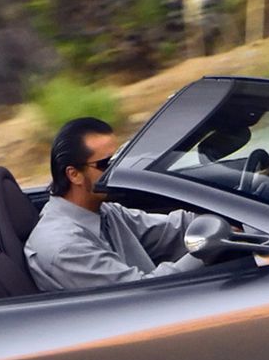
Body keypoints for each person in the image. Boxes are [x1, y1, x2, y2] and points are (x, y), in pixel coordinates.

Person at [25, 116, 207, 291]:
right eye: (106, 164)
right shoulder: (65, 248)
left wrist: (221, 221)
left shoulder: (103, 211)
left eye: (118, 160)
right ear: (74, 175)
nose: (117, 171)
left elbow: (170, 231)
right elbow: (143, 292)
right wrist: (207, 250)